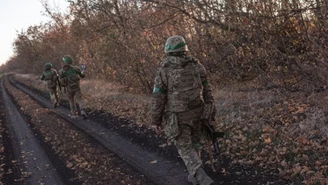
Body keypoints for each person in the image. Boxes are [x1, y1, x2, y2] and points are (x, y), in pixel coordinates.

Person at [151, 35, 216, 185]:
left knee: (185, 147)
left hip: (177, 117)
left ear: (168, 51)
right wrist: (210, 109)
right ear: (184, 49)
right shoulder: (197, 65)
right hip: (198, 113)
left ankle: (201, 177)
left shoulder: (164, 70)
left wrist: (156, 120)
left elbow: (158, 97)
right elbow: (207, 89)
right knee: (195, 144)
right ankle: (194, 177)